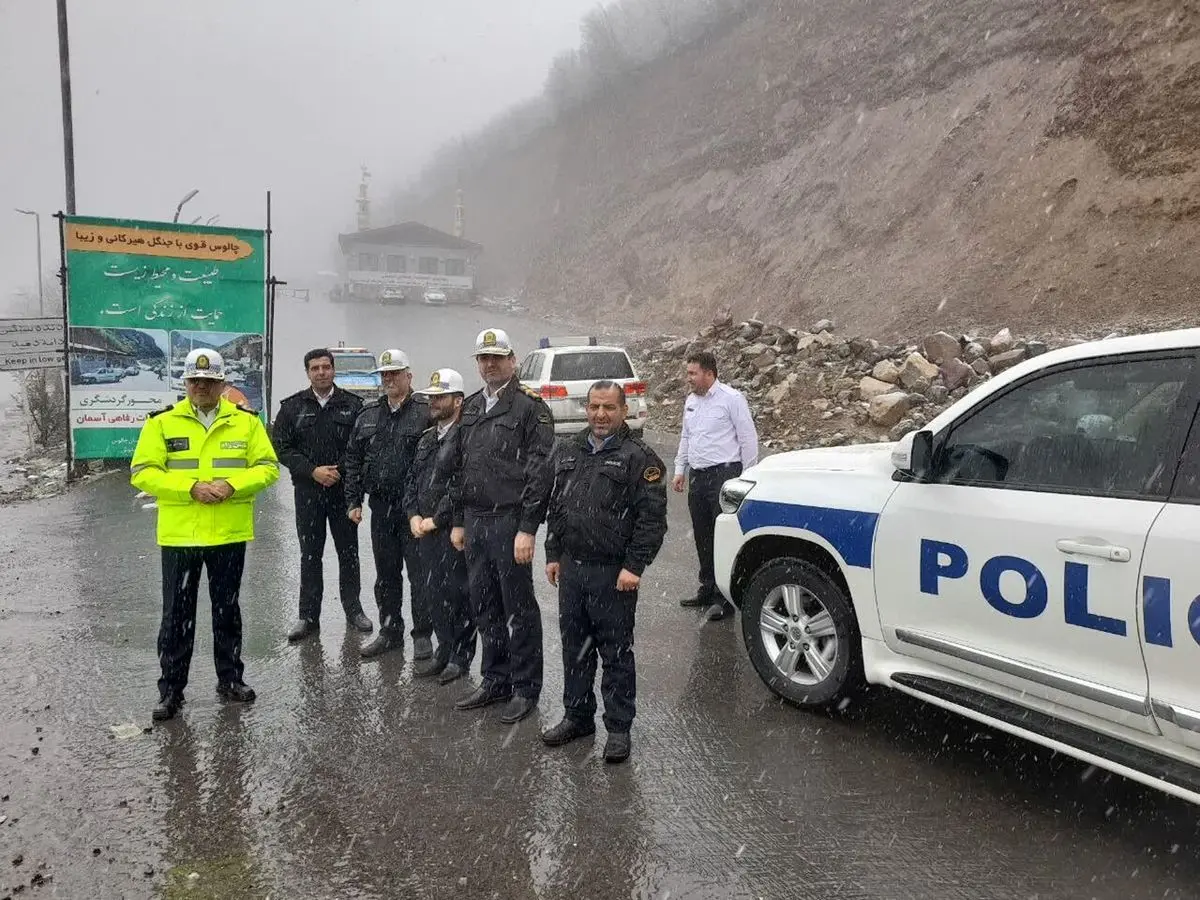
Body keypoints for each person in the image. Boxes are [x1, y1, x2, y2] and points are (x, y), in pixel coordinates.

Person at [130, 348, 280, 721]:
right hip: (181, 538)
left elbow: (268, 468)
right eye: (195, 381)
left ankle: (231, 680)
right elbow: (143, 472)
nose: (201, 386)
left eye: (209, 381)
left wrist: (232, 484)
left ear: (222, 384)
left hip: (228, 534)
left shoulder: (246, 422)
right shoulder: (161, 423)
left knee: (227, 612)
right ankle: (171, 691)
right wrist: (190, 488)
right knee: (176, 617)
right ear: (185, 383)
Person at [541, 381, 668, 764]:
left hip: (614, 574)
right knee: (575, 651)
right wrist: (552, 553)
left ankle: (618, 728)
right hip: (573, 570)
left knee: (615, 653)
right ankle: (578, 717)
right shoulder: (570, 450)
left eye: (609, 407)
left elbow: (652, 520)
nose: (600, 414)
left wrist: (634, 566)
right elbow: (558, 506)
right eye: (594, 406)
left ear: (624, 411)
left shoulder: (640, 459)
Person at [447, 328, 554, 724]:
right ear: (477, 363)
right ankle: (496, 678)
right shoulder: (472, 406)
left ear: (513, 360)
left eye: (498, 357)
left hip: (510, 521)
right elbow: (461, 467)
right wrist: (458, 520)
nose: (490, 364)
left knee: (518, 607)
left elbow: (541, 472)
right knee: (485, 602)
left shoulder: (530, 408)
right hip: (476, 521)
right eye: (483, 358)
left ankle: (525, 688)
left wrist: (528, 527)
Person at [272, 348, 371, 642]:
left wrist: (338, 471)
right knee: (310, 556)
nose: (321, 373)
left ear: (333, 370)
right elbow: (282, 448)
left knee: (348, 554)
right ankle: (308, 616)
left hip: (342, 493)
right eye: (315, 368)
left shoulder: (353, 406)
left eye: (326, 367)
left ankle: (354, 610)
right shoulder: (292, 408)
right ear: (307, 372)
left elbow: (361, 447)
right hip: (308, 493)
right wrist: (313, 471)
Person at [344, 348, 431, 659]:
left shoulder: (426, 411)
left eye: (396, 373)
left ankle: (422, 635)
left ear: (409, 375)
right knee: (387, 575)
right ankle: (390, 631)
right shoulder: (368, 415)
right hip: (381, 508)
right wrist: (354, 500)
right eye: (385, 374)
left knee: (420, 575)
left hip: (416, 511)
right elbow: (353, 460)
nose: (390, 379)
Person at [672, 350, 758, 621]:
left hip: (725, 476)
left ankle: (725, 598)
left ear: (709, 374)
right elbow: (686, 436)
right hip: (698, 476)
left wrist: (748, 477)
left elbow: (748, 439)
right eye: (688, 373)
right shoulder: (691, 401)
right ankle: (707, 588)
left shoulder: (731, 399)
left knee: (723, 538)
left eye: (693, 373)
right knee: (702, 536)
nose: (689, 379)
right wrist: (679, 469)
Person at [404, 368, 476, 684]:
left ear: (458, 401)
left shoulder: (467, 437)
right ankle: (443, 651)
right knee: (434, 593)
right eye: (432, 396)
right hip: (425, 531)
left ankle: (460, 657)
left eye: (441, 397)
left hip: (451, 531)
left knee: (458, 595)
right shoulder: (427, 438)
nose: (434, 402)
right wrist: (413, 516)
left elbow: (462, 484)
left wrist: (439, 518)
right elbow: (412, 480)